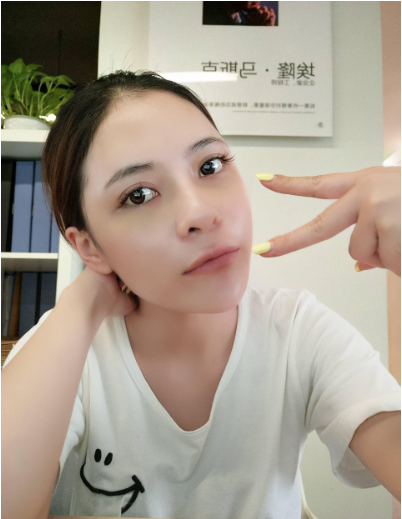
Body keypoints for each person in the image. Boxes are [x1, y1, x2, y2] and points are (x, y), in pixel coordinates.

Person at [2, 70, 400, 519]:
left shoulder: (296, 331)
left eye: (209, 166)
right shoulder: (67, 350)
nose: (200, 213)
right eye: (139, 195)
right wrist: (82, 301)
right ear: (88, 246)